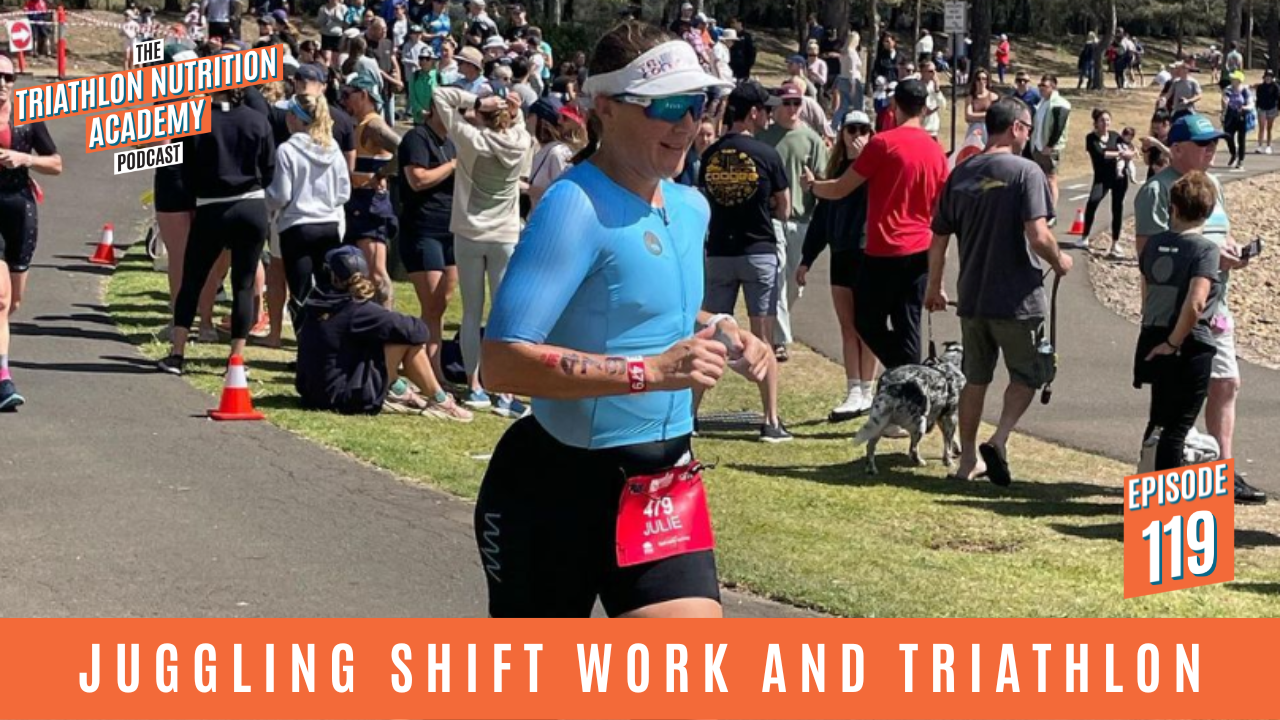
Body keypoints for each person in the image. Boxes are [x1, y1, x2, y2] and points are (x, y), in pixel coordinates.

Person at [475, 22, 770, 618]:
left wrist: (721, 329)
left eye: (698, 103)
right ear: (605, 106)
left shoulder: (691, 206)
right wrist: (649, 372)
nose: (687, 123)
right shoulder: (573, 205)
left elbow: (640, 304)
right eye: (666, 105)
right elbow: (501, 363)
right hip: (554, 491)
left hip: (664, 487)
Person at [926, 97, 1073, 486]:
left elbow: (938, 239)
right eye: (1028, 128)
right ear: (1016, 128)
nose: (1028, 136)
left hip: (973, 297)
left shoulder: (960, 174)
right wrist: (1059, 261)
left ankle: (967, 459)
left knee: (975, 378)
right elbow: (1038, 234)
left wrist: (934, 286)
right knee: (1029, 373)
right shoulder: (1027, 172)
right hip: (1018, 298)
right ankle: (1000, 438)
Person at [1133, 113, 1267, 504]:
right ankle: (1162, 481)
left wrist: (1233, 252)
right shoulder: (1157, 191)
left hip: (1215, 304)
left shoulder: (1212, 185)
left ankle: (1221, 468)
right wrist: (1205, 258)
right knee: (1171, 404)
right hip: (1178, 310)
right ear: (1176, 149)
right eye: (1203, 144)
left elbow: (1220, 232)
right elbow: (1150, 257)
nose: (1211, 150)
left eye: (1214, 144)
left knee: (1226, 383)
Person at [805, 79, 949, 370]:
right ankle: (910, 373)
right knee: (908, 325)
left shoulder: (883, 143)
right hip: (920, 249)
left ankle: (905, 371)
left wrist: (813, 186)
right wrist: (938, 279)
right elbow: (941, 213)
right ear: (924, 108)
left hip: (884, 248)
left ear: (894, 106)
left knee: (865, 321)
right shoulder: (936, 150)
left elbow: (841, 188)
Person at [698, 81, 791, 441]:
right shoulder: (767, 154)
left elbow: (704, 201)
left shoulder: (711, 154)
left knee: (709, 335)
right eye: (766, 109)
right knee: (763, 337)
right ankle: (771, 419)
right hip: (758, 251)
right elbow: (784, 207)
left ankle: (689, 416)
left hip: (719, 252)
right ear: (753, 113)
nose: (770, 114)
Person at [158, 87, 274, 376]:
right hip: (251, 205)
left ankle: (177, 352)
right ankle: (236, 359)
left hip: (212, 206)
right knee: (243, 284)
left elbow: (183, 171)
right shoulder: (258, 120)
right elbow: (269, 168)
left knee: (192, 279)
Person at [433, 84, 532, 417]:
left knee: (471, 312)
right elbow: (519, 127)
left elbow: (441, 96)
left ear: (483, 116)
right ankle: (504, 391)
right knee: (501, 314)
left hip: (470, 233)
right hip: (505, 234)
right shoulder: (520, 141)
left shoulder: (471, 140)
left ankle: (475, 387)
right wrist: (515, 111)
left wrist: (475, 99)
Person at [296, 246, 472, 420]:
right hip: (343, 397)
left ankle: (399, 391)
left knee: (383, 339)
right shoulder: (357, 309)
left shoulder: (315, 302)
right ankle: (439, 400)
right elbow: (419, 331)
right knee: (407, 341)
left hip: (311, 392)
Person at [1133, 171, 1224, 473]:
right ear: (1208, 211)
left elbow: (1146, 289)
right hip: (1188, 343)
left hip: (1153, 334)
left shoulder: (1153, 244)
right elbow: (1196, 303)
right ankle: (1166, 496)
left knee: (1158, 419)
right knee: (1179, 427)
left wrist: (1157, 332)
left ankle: (1148, 484)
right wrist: (1174, 342)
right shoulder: (1205, 249)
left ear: (1172, 207)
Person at [798, 111, 878, 421]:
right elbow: (821, 220)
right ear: (842, 134)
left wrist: (865, 160)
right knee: (848, 326)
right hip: (841, 252)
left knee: (867, 326)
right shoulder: (834, 175)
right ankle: (853, 389)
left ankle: (867, 389)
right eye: (851, 129)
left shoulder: (875, 170)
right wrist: (807, 259)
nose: (857, 135)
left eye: (863, 130)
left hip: (868, 251)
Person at [0, 55, 63, 410]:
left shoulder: (28, 118)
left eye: (8, 77)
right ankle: (3, 380)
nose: (2, 83)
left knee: (14, 302)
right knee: (0, 299)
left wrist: (26, 159)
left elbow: (56, 164)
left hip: (20, 209)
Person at [265, 92, 351, 320]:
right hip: (329, 225)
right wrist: (325, 203)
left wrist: (266, 202)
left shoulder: (287, 150)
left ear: (296, 118)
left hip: (298, 226)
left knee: (300, 293)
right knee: (327, 290)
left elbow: (281, 195)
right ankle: (328, 335)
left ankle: (305, 339)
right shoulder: (333, 148)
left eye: (289, 113)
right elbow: (344, 192)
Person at [759, 83, 827, 359]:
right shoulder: (764, 138)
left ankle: (776, 327)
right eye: (786, 103)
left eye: (796, 103)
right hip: (772, 219)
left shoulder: (812, 139)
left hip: (802, 219)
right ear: (777, 106)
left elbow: (824, 180)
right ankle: (779, 341)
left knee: (794, 283)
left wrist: (814, 183)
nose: (792, 109)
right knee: (776, 277)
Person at [397, 104, 456, 384]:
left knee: (441, 305)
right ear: (434, 110)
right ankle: (429, 371)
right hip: (423, 229)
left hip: (451, 230)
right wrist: (453, 165)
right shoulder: (417, 138)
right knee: (432, 304)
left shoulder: (452, 142)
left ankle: (431, 365)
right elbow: (417, 179)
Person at [340, 75, 401, 309]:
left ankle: (387, 320)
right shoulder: (359, 124)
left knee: (376, 272)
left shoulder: (374, 125)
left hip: (370, 204)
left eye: (348, 95)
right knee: (358, 271)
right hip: (356, 201)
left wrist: (382, 174)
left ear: (364, 95)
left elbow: (403, 149)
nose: (345, 101)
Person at [1079, 108, 1133, 257]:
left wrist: (1130, 153)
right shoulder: (1091, 138)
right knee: (1092, 202)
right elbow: (1100, 154)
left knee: (1117, 208)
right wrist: (1120, 153)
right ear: (1096, 122)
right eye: (1102, 120)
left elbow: (1128, 147)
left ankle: (1115, 242)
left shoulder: (1115, 136)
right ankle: (1084, 237)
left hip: (1118, 177)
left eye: (1108, 120)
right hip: (1101, 178)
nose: (1105, 123)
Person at [527, 97, 587, 210]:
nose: (559, 121)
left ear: (578, 124)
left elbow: (562, 196)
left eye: (565, 118)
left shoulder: (559, 152)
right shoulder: (572, 150)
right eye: (560, 116)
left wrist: (524, 188)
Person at [1029, 74, 1069, 214]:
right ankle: (1041, 208)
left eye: (1044, 86)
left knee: (1051, 178)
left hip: (1049, 148)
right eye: (1040, 86)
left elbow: (1059, 126)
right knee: (1041, 179)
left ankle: (1051, 212)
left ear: (1053, 87)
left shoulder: (1059, 103)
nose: (1041, 88)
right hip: (1038, 146)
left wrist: (1050, 145)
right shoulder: (1042, 103)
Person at [1221, 71, 1253, 170]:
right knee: (1228, 136)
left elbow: (1251, 104)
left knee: (1241, 139)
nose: (1232, 80)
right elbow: (1225, 99)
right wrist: (1225, 103)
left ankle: (1241, 160)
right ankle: (1233, 153)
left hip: (1241, 116)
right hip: (1230, 116)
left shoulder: (1245, 90)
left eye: (1234, 79)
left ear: (1239, 80)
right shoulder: (1228, 89)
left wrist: (1244, 108)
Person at [964, 68, 999, 143]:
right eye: (978, 79)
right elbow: (968, 116)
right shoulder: (970, 98)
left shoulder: (993, 97)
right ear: (975, 81)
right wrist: (986, 115)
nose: (981, 81)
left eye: (984, 79)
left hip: (989, 132)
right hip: (974, 131)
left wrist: (975, 116)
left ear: (987, 81)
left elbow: (995, 116)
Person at [1254, 69, 1279, 154]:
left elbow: (1278, 98)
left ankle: (1268, 146)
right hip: (1262, 108)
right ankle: (1259, 146)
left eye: (1270, 77)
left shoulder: (1275, 87)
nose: (1268, 78)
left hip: (1272, 108)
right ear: (1264, 77)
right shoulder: (1260, 87)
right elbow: (1257, 98)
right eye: (1267, 76)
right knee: (1261, 127)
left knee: (1269, 128)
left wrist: (1278, 109)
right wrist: (1257, 107)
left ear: (1272, 78)